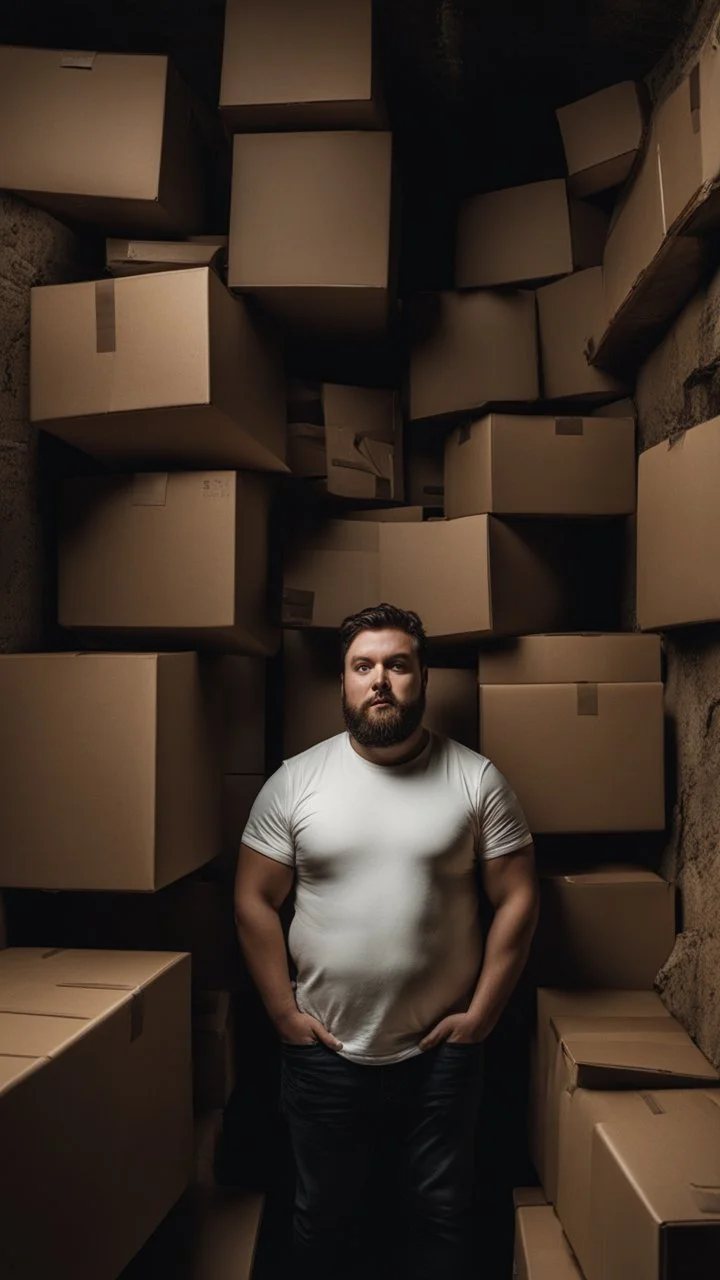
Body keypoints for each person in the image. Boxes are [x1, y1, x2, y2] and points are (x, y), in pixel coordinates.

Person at [234, 602, 539, 1280]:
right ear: (342, 683)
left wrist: (482, 1016)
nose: (380, 680)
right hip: (325, 1050)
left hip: (441, 1051)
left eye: (397, 664)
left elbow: (518, 896)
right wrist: (283, 1013)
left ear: (423, 678)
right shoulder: (295, 781)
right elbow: (253, 899)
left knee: (441, 1213)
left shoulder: (475, 779)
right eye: (362, 666)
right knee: (324, 1217)